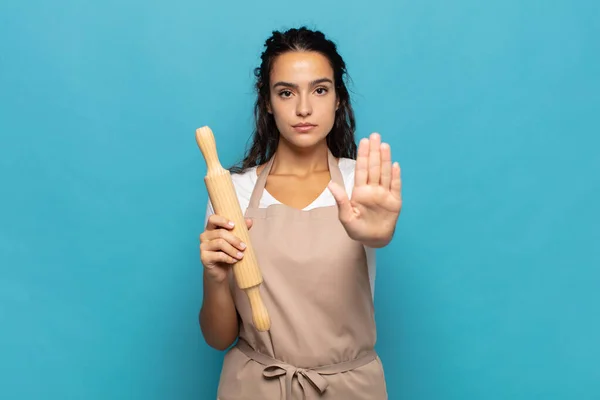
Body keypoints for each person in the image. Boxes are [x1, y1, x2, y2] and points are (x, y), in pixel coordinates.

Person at [198, 26, 402, 400]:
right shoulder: (233, 192)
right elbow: (218, 337)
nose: (304, 108)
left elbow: (378, 233)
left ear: (338, 98)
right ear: (267, 101)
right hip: (253, 387)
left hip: (349, 388)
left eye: (320, 90)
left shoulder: (364, 184)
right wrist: (213, 276)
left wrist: (377, 234)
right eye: (286, 92)